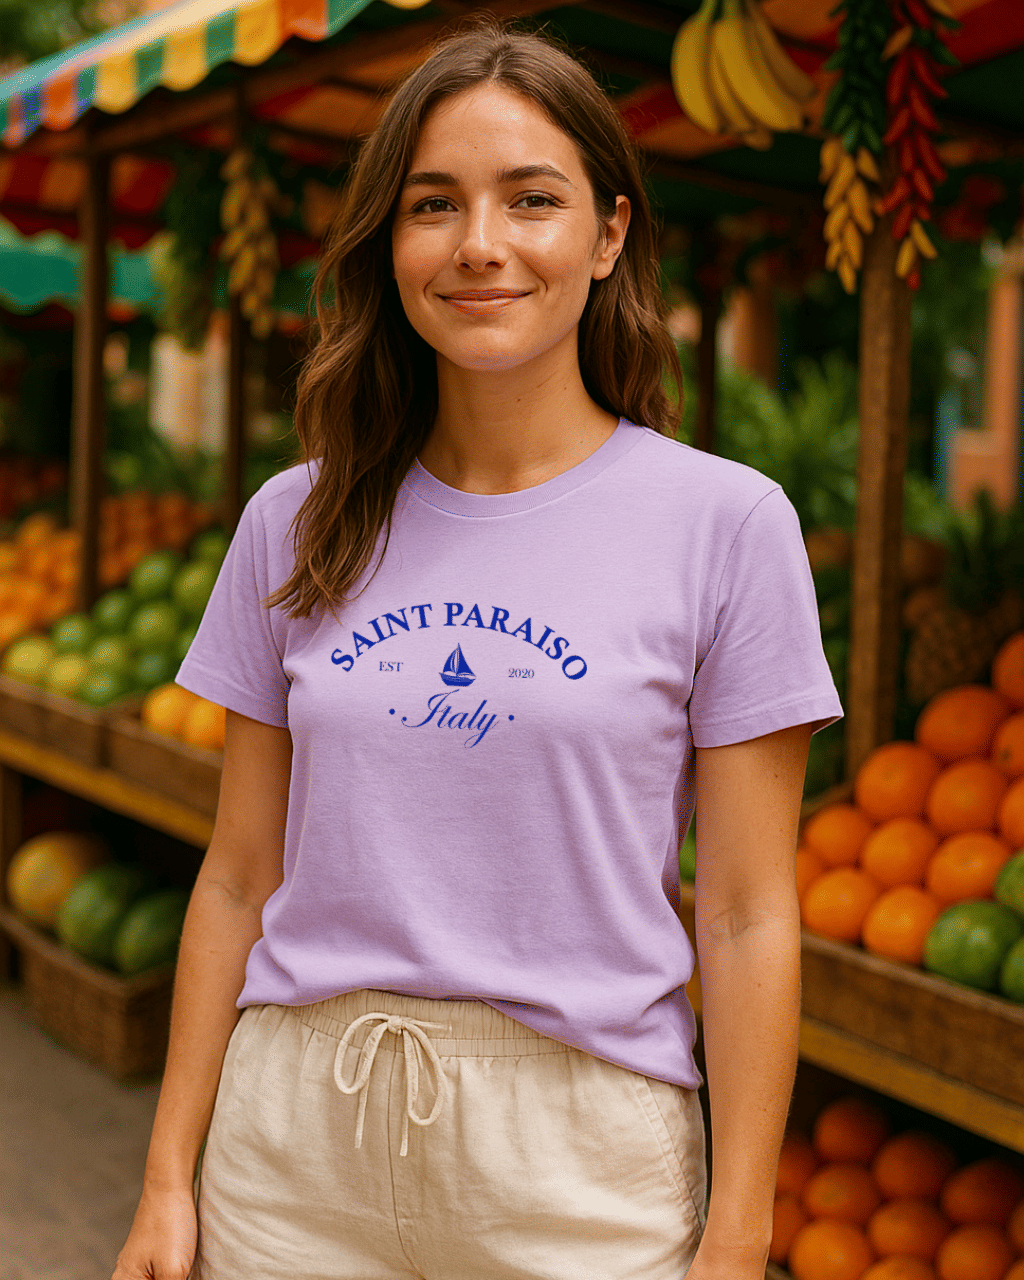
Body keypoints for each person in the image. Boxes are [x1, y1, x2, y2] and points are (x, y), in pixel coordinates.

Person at [114, 17, 842, 1280]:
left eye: (532, 199)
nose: (480, 244)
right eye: (433, 204)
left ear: (609, 233)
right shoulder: (295, 518)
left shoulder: (725, 524)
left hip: (582, 1167)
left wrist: (739, 1233)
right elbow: (234, 879)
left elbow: (742, 913)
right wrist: (167, 1178)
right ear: (390, 244)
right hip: (294, 1148)